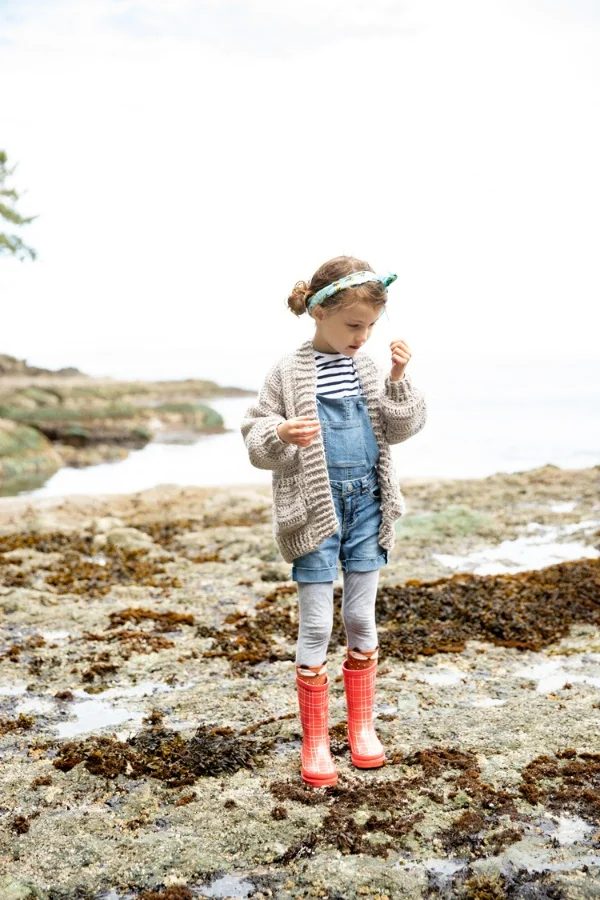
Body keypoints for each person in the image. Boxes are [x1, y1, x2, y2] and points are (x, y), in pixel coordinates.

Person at [240, 255, 427, 788]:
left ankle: (362, 727)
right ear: (319, 313)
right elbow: (257, 438)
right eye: (353, 326)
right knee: (318, 626)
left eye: (369, 327)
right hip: (314, 513)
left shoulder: (368, 368)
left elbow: (400, 427)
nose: (362, 337)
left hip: (368, 503)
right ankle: (317, 740)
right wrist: (280, 436)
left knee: (362, 620)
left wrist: (397, 377)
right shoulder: (286, 372)